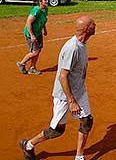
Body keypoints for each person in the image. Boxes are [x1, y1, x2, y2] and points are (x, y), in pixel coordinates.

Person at [19, 16, 96, 160]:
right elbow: (62, 76)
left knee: (87, 121)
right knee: (57, 131)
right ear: (86, 29)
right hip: (65, 95)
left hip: (79, 90)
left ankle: (79, 156)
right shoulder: (72, 48)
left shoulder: (83, 43)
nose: (95, 25)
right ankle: (29, 145)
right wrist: (71, 101)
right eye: (92, 24)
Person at [17, 0, 49, 75]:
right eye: (45, 0)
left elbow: (43, 20)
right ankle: (22, 63)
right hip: (30, 33)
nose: (47, 1)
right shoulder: (36, 10)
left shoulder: (45, 9)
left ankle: (32, 68)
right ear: (40, 2)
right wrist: (32, 35)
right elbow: (28, 23)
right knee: (35, 52)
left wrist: (44, 29)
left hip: (38, 32)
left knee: (38, 51)